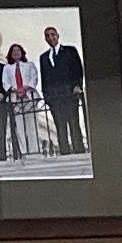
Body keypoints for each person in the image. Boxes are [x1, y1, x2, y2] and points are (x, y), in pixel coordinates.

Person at [39, 26, 85, 156]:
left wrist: (77, 85)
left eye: (52, 34)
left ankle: (79, 150)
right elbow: (44, 78)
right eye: (47, 35)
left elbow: (78, 69)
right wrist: (46, 96)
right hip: (54, 97)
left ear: (58, 36)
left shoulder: (70, 51)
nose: (50, 37)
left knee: (74, 123)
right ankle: (64, 151)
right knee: (60, 125)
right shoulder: (44, 57)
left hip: (69, 93)